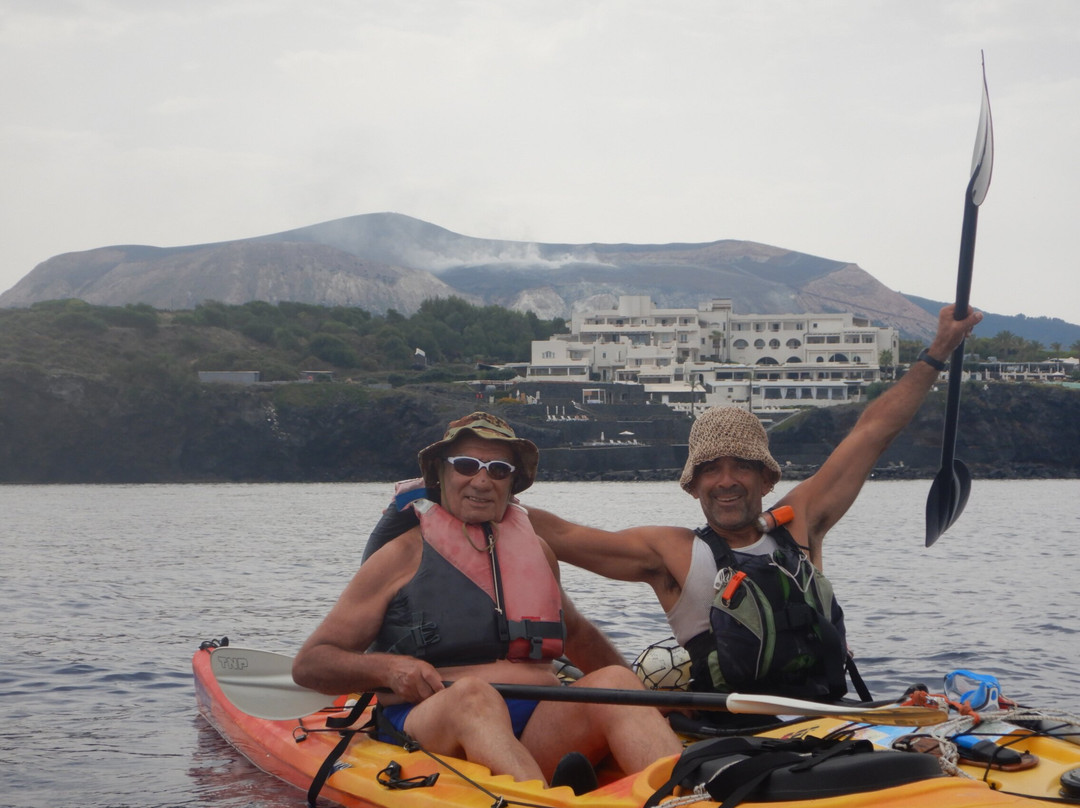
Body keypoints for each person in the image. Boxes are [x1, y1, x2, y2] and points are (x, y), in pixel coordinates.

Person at [529, 304, 983, 704]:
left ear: (766, 477)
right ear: (693, 486)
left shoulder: (800, 523)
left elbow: (872, 433)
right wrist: (479, 478)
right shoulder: (671, 553)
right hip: (732, 736)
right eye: (710, 469)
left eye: (741, 466)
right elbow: (561, 535)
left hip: (826, 721)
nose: (726, 482)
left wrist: (938, 351)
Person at [292, 412, 682, 789]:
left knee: (615, 682)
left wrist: (646, 703)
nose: (481, 480)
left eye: (498, 470)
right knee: (474, 697)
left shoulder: (537, 552)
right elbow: (311, 663)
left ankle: (685, 797)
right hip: (435, 725)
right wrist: (390, 668)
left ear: (512, 483)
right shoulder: (399, 557)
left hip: (536, 724)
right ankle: (537, 803)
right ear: (440, 474)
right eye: (466, 465)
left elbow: (577, 635)